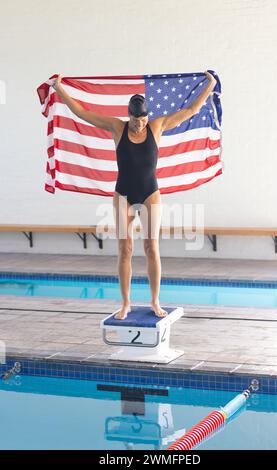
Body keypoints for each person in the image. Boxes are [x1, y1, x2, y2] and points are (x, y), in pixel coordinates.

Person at [52, 71, 217, 319]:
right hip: (123, 193)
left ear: (147, 116)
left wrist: (210, 85)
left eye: (142, 119)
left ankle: (154, 301)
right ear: (128, 116)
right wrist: (59, 88)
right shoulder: (117, 128)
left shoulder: (157, 126)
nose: (139, 124)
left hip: (151, 192)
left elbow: (191, 110)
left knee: (151, 247)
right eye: (135, 119)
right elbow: (82, 113)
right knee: (125, 248)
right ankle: (126, 303)